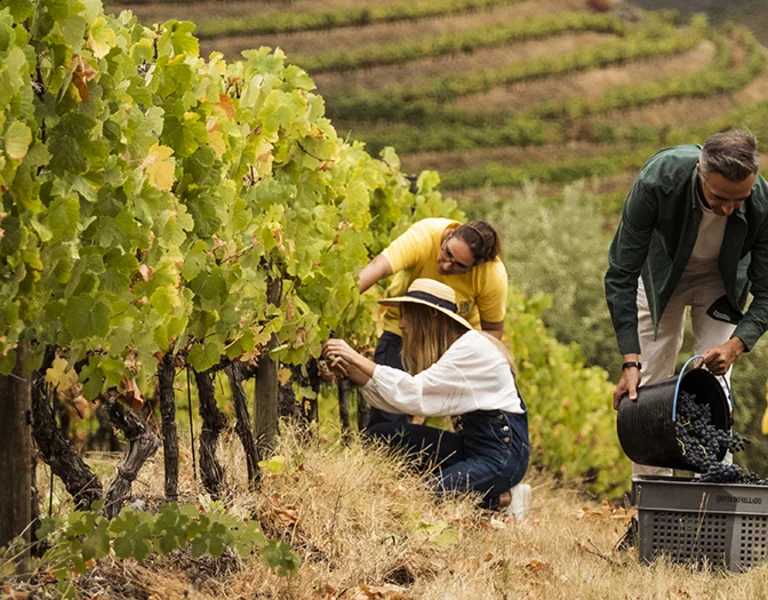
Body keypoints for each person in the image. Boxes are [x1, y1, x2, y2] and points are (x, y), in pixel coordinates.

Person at [605, 129, 768, 482]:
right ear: (700, 172)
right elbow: (620, 273)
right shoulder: (658, 180)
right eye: (719, 197)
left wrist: (735, 346)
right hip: (661, 277)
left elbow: (767, 290)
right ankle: (653, 497)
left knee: (717, 384)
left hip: (720, 284)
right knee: (645, 387)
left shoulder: (761, 200)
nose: (728, 208)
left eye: (738, 201)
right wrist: (630, 360)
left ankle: (712, 498)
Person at [322, 278, 530, 516]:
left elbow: (413, 394)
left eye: (406, 315)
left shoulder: (472, 348)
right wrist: (351, 371)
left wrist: (355, 357)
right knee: (381, 436)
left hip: (501, 458)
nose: (401, 325)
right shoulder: (458, 347)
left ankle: (500, 497)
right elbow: (399, 401)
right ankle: (497, 495)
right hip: (473, 447)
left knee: (424, 495)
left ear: (428, 316)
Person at [358, 218, 508, 428]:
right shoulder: (424, 236)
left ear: (476, 265)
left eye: (459, 266)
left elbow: (492, 331)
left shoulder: (491, 275)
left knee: (462, 420)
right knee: (388, 411)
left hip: (452, 343)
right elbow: (378, 268)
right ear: (448, 237)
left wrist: (470, 373)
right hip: (404, 329)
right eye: (447, 253)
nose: (446, 265)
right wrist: (343, 298)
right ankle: (382, 453)